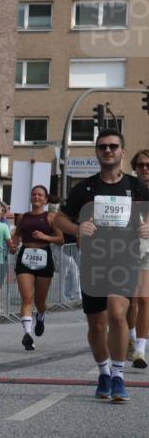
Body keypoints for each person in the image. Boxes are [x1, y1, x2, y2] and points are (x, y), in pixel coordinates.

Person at [53, 129, 149, 403]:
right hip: (94, 263)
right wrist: (77, 227)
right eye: (103, 147)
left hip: (125, 260)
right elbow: (58, 220)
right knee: (97, 324)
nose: (108, 151)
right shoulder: (84, 188)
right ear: (97, 152)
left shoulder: (136, 187)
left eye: (113, 147)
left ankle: (119, 376)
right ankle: (104, 372)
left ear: (122, 152)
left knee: (118, 315)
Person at [11, 185, 63, 350]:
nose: (36, 197)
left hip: (44, 256)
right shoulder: (23, 217)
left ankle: (40, 317)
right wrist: (13, 245)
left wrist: (44, 236)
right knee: (27, 298)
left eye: (40, 195)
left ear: (46, 199)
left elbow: (60, 239)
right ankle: (28, 334)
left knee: (40, 301)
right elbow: (17, 235)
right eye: (34, 194)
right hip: (25, 256)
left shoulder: (51, 217)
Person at [128, 149, 149, 367]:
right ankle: (131, 338)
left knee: (144, 299)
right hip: (126, 248)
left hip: (148, 250)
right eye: (141, 165)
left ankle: (140, 351)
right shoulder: (129, 190)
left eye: (148, 165)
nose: (145, 169)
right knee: (129, 301)